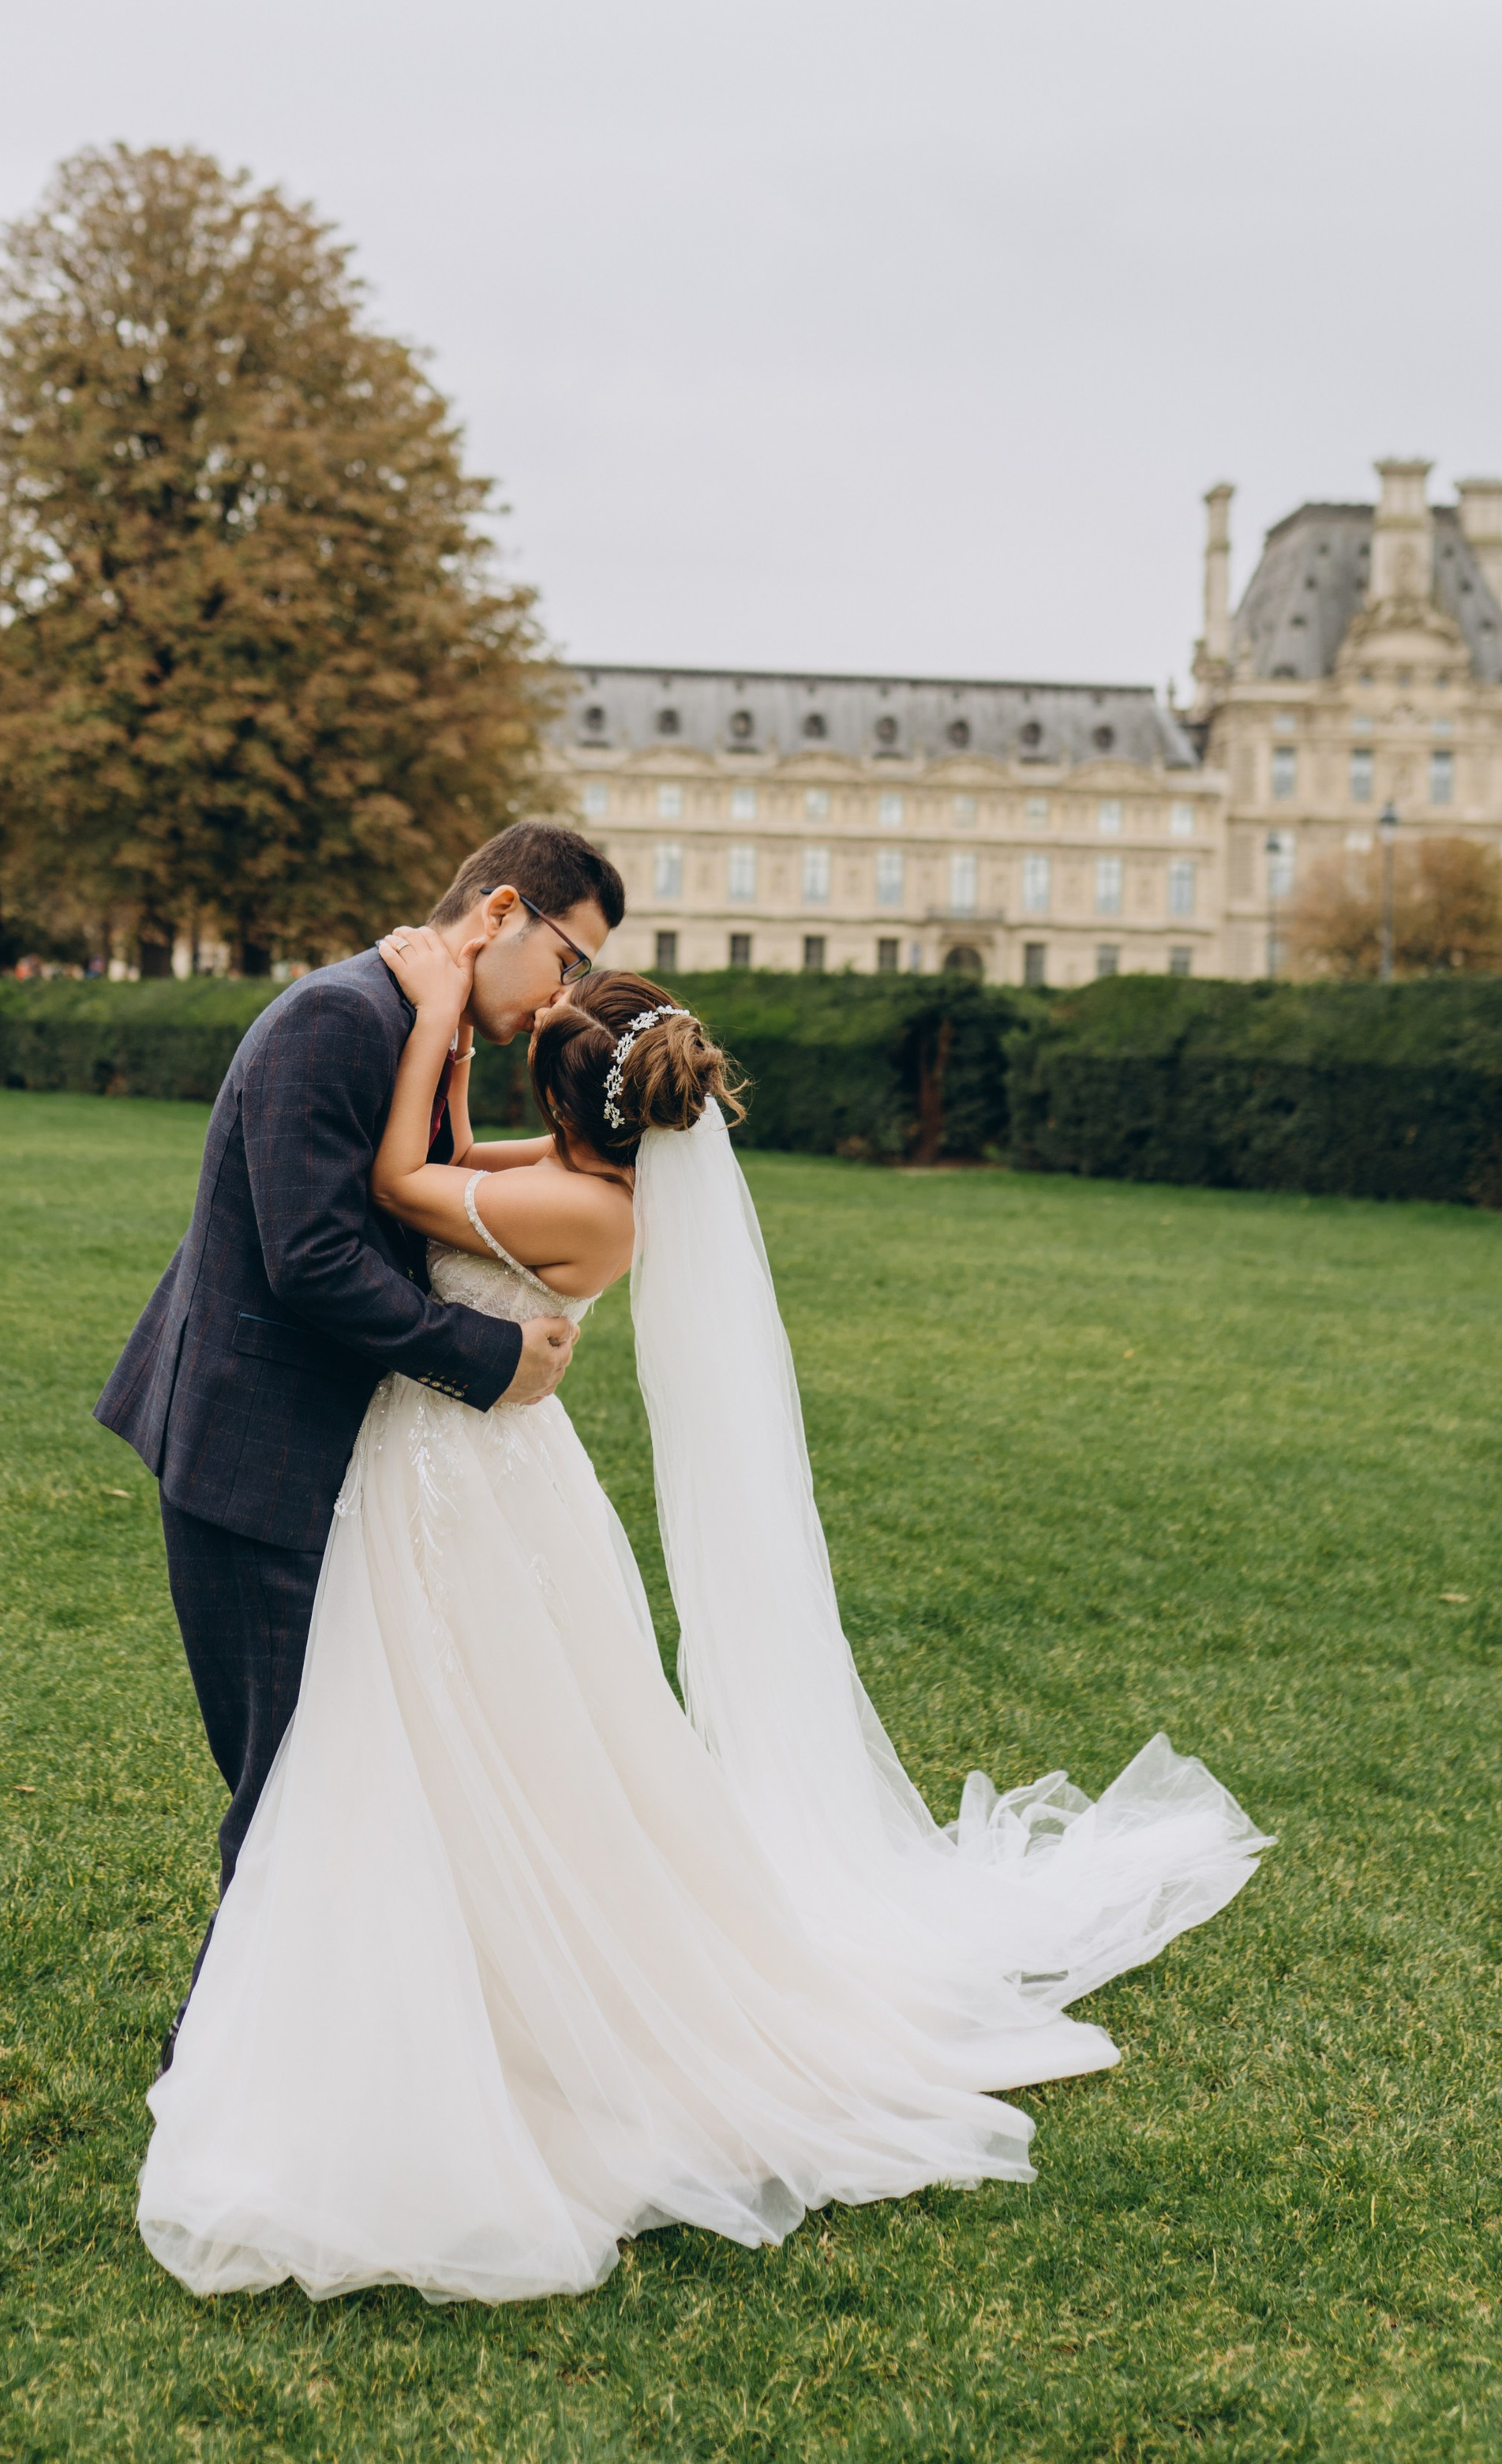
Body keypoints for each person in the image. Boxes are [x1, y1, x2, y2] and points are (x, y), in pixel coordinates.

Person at [131, 933, 1270, 2304]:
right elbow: (448, 1156)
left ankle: (497, 2014)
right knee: (461, 1739)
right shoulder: (573, 1182)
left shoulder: (583, 1212)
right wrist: (459, 1056)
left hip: (460, 1485)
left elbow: (394, 1183)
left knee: (473, 1738)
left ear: (565, 1104)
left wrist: (434, 1014)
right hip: (456, 1470)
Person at [94, 823, 626, 2042]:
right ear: (502, 911)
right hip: (256, 1455)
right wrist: (494, 1358)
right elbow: (315, 1260)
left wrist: (450, 1045)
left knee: (337, 1770)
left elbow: (425, 1192)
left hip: (339, 1458)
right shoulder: (340, 1019)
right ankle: (227, 2069)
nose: (565, 996)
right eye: (569, 958)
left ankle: (316, 2047)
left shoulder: (414, 1021)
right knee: (292, 1780)